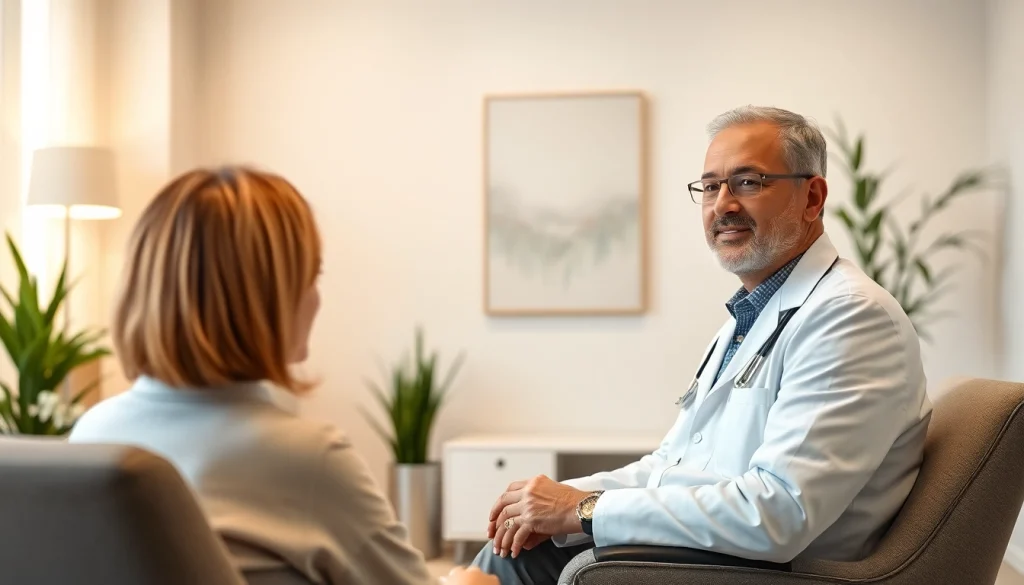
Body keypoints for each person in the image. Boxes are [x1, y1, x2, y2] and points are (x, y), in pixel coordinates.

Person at [471, 106, 934, 584]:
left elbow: (779, 513)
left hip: (770, 573)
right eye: (711, 186)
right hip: (718, 554)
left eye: (749, 182)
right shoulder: (747, 318)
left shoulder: (850, 316)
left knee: (513, 566)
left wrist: (586, 510)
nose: (723, 204)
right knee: (507, 551)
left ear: (811, 197)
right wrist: (556, 497)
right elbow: (671, 466)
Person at [68, 167, 497, 585]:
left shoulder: (91, 437)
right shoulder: (308, 459)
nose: (317, 298)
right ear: (269, 299)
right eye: (312, 277)